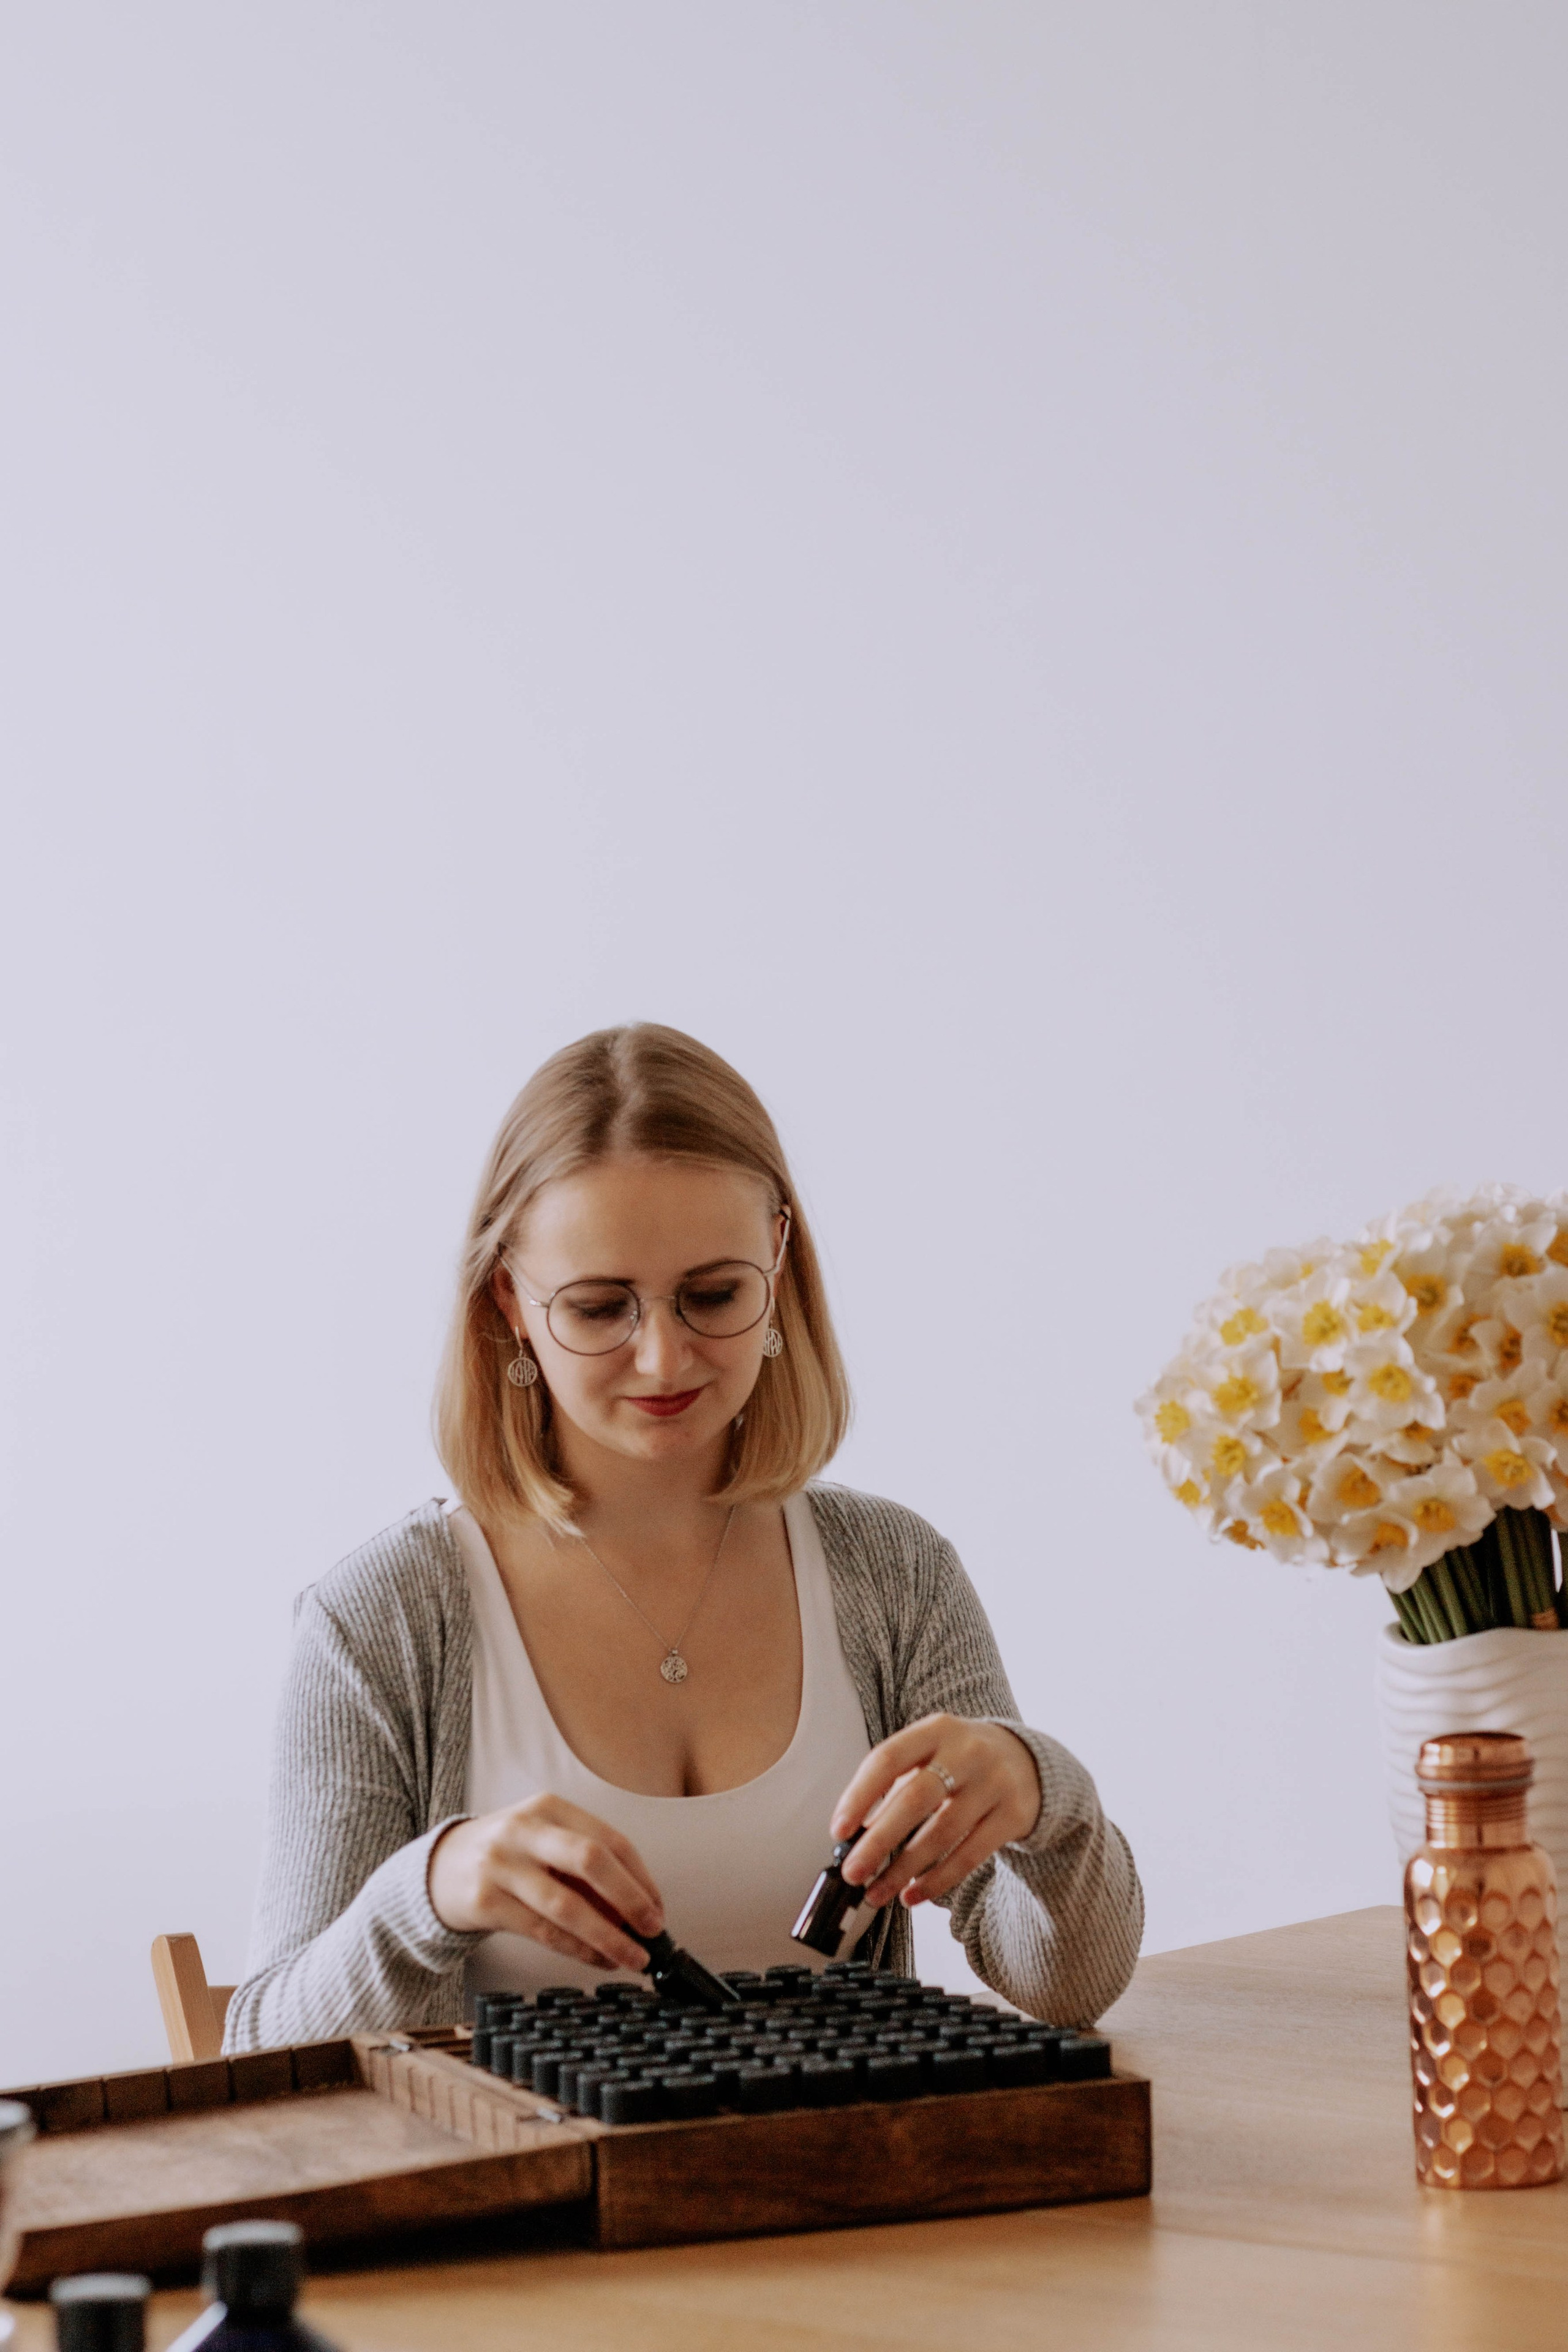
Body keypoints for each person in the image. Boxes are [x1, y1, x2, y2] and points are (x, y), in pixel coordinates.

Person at [227, 1025, 1140, 2049]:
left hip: (853, 2201)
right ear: (509, 1305)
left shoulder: (894, 1574)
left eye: (714, 1296)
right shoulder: (384, 1619)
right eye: (598, 1307)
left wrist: (1043, 1798)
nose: (663, 1359)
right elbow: (265, 2049)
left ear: (781, 1268)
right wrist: (431, 1889)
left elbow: (1070, 1987)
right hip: (524, 2206)